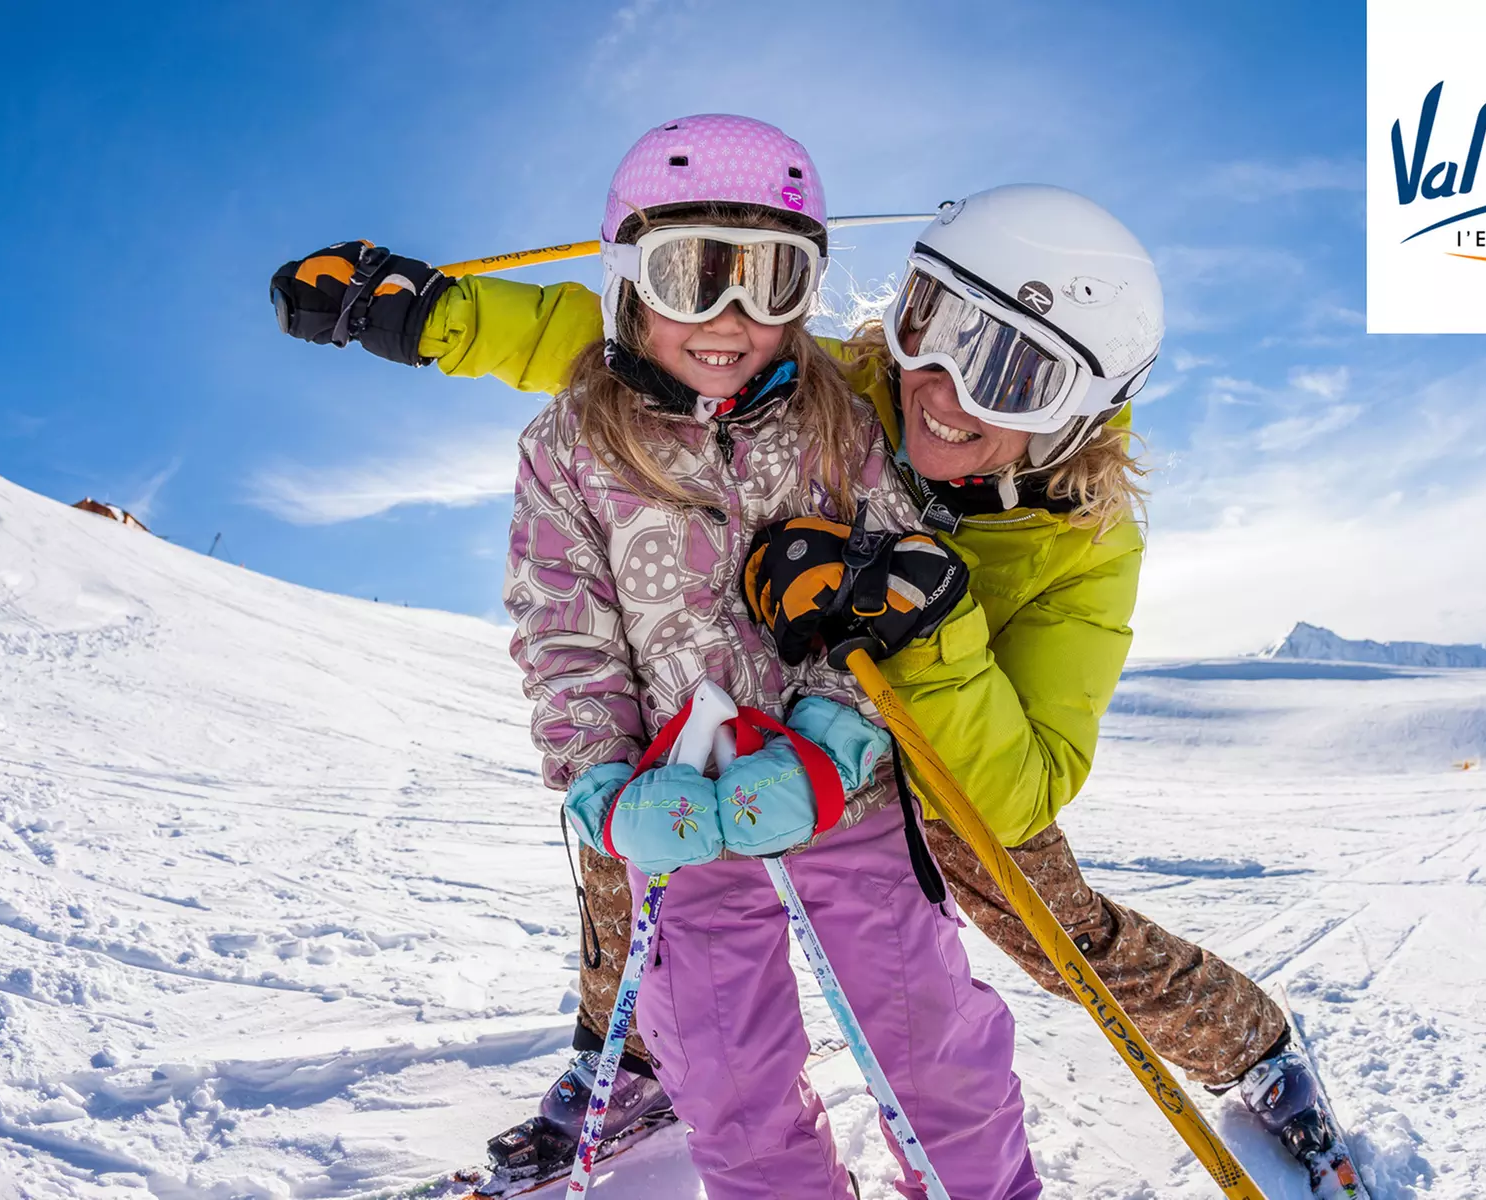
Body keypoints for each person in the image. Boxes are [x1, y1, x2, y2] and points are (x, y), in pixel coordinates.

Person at [271, 129, 1353, 1195]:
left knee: (1043, 917)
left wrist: (919, 623)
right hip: (745, 711)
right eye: (933, 325)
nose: (943, 388)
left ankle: (1251, 1046)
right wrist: (431, 314)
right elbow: (619, 341)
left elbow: (1024, 788)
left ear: (1081, 410)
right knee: (631, 841)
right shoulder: (834, 382)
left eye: (1012, 376)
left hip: (942, 747)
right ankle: (640, 1063)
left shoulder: (1085, 543)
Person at [274, 114, 1039, 1200]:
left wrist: (832, 740)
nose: (731, 319)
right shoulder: (569, 446)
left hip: (848, 805)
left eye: (773, 281)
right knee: (727, 1083)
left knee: (931, 1054)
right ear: (628, 281)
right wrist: (601, 781)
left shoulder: (838, 421)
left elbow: (885, 585)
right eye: (692, 275)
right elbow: (564, 631)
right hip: (675, 813)